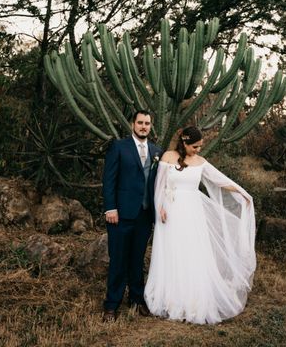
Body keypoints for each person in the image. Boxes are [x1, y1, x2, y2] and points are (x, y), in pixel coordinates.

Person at [144, 126, 256, 324]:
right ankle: (171, 298)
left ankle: (194, 298)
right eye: (195, 146)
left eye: (200, 146)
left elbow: (220, 180)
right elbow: (158, 185)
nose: (198, 150)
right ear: (184, 143)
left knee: (192, 251)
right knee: (173, 251)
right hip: (170, 211)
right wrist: (159, 206)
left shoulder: (201, 162)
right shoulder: (168, 157)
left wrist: (241, 193)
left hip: (192, 212)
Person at [102, 110, 163, 322]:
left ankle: (136, 300)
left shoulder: (157, 151)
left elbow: (160, 183)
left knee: (137, 260)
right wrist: (110, 208)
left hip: (144, 215)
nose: (144, 126)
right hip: (120, 214)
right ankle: (111, 305)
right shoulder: (119, 147)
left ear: (150, 125)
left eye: (147, 123)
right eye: (140, 123)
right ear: (132, 124)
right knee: (118, 260)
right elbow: (109, 180)